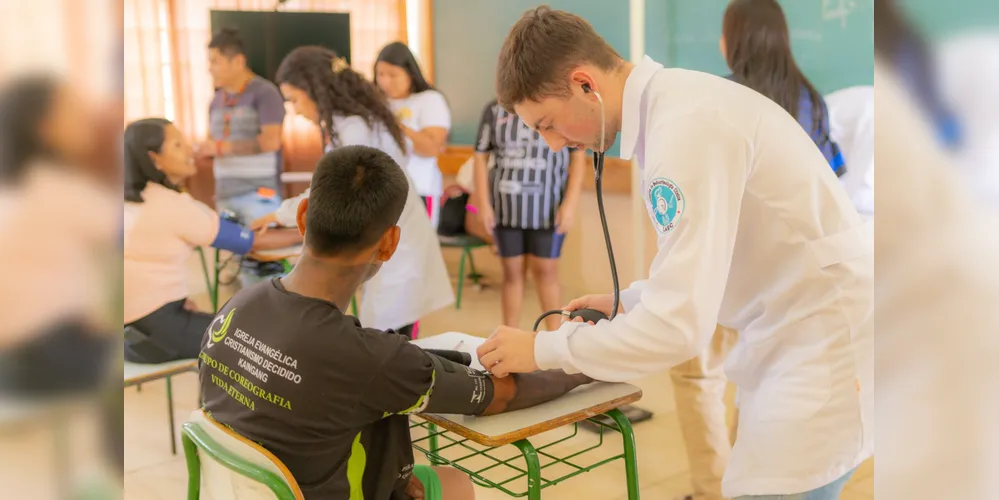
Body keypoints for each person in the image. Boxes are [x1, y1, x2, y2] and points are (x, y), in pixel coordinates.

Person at [475, 8, 872, 500]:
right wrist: (632, 301)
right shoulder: (675, 110)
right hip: (795, 331)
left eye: (548, 124)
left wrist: (543, 349)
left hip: (820, 344)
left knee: (769, 489)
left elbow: (680, 329)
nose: (554, 145)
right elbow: (711, 262)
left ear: (584, 84)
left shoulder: (684, 129)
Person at [200, 145, 593, 499]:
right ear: (389, 243)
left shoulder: (235, 307)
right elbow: (503, 394)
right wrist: (586, 360)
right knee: (456, 485)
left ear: (303, 217)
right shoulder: (371, 360)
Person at [250, 46, 453, 336]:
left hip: (395, 238)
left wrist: (279, 214)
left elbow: (334, 191)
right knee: (391, 327)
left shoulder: (353, 127)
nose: (293, 109)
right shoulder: (361, 119)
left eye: (294, 99)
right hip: (394, 232)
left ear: (314, 90)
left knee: (387, 332)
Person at [123, 118, 300, 364]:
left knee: (241, 323)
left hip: (130, 334)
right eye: (177, 145)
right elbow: (249, 241)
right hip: (157, 334)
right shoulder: (170, 205)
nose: (189, 149)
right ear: (155, 159)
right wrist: (308, 232)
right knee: (265, 339)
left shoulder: (131, 200)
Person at [0, 76, 118, 397]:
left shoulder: (17, 182)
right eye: (74, 110)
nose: (88, 119)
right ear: (43, 128)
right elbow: (118, 232)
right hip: (44, 354)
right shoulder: (57, 186)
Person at [473, 99, 586, 331]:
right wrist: (483, 204)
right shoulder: (493, 110)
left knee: (547, 273)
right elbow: (479, 156)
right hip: (506, 208)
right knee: (512, 274)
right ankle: (508, 335)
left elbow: (578, 156)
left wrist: (570, 204)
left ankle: (555, 337)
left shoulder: (559, 105)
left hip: (548, 208)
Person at [197, 28, 288, 285]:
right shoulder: (215, 101)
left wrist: (221, 148)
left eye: (214, 61)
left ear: (237, 61)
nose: (210, 68)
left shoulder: (265, 93)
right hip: (225, 195)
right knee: (244, 270)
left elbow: (271, 141)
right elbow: (214, 142)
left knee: (266, 269)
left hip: (258, 194)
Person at [722, 0, 845, 176]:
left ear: (733, 41)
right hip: (802, 202)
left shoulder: (719, 95)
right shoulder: (812, 101)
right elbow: (830, 178)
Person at [375, 42, 450, 227]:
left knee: (418, 250)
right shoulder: (375, 102)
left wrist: (395, 125)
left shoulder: (429, 100)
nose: (385, 81)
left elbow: (432, 147)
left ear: (410, 73)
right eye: (380, 74)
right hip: (379, 192)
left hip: (419, 188)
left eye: (393, 75)